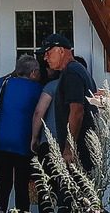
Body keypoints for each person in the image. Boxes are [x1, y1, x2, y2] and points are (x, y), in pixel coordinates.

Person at [0, 54, 46, 213]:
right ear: (33, 72)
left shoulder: (6, 85)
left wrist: (13, 74)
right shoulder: (37, 89)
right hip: (23, 143)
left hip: (2, 142)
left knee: (3, 185)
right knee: (21, 186)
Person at [39, 31, 96, 172]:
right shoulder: (78, 70)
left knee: (72, 192)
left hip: (78, 150)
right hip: (84, 147)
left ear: (61, 50)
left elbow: (77, 111)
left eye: (48, 52)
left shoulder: (72, 73)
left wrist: (69, 148)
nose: (45, 58)